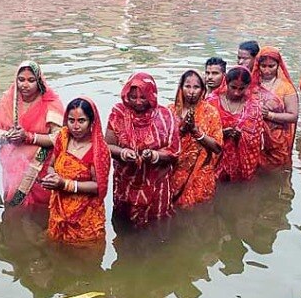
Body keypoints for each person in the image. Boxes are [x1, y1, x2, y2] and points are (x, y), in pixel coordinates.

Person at [105, 72, 180, 227]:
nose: (138, 102)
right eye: (133, 97)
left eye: (143, 97)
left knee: (157, 226)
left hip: (157, 184)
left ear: (152, 95)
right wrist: (123, 153)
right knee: (124, 226)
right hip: (125, 182)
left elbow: (174, 152)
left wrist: (154, 155)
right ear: (126, 95)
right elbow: (108, 146)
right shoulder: (118, 113)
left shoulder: (166, 116)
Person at [0, 61, 64, 207]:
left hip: (40, 166)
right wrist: (7, 136)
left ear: (39, 81)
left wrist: (29, 137)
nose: (25, 85)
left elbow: (60, 137)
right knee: (14, 208)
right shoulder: (9, 101)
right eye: (21, 79)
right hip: (12, 166)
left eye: (31, 80)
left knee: (40, 210)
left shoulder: (51, 102)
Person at [40, 97, 110, 245]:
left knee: (84, 258)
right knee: (56, 252)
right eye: (71, 120)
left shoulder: (99, 149)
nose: (75, 127)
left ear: (91, 121)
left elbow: (99, 186)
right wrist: (51, 177)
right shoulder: (63, 137)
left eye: (81, 121)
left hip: (85, 217)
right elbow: (52, 164)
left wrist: (65, 184)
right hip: (59, 210)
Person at [168, 71, 223, 208]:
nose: (191, 91)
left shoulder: (210, 112)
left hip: (201, 174)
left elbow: (217, 148)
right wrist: (182, 130)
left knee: (199, 213)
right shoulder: (170, 111)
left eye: (196, 87)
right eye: (187, 86)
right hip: (174, 173)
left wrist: (195, 131)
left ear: (203, 90)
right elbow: (164, 144)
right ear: (181, 88)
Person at [206, 66, 264, 182]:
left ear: (248, 87)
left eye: (241, 88)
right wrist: (221, 134)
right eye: (233, 87)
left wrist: (241, 137)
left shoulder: (253, 107)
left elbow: (256, 140)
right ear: (226, 83)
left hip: (239, 161)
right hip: (214, 157)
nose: (236, 92)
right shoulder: (211, 102)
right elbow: (202, 130)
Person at [250, 46, 299, 166]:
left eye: (271, 66)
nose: (267, 70)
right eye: (263, 66)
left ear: (278, 65)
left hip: (277, 139)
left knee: (277, 170)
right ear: (258, 65)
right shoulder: (251, 85)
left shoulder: (286, 87)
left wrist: (270, 115)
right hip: (254, 137)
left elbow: (293, 116)